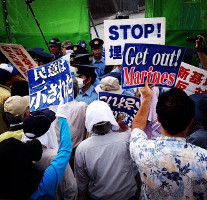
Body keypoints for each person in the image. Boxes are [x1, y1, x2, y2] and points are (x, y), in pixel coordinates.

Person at [130, 82, 207, 199]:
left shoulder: (142, 150)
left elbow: (137, 127)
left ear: (158, 118)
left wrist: (146, 98)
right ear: (191, 121)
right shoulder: (204, 159)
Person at [74, 100, 138, 200]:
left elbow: (82, 183)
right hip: (128, 195)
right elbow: (135, 167)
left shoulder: (82, 148)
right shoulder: (127, 138)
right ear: (111, 119)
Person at [55, 77, 87, 172]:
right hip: (75, 154)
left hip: (57, 155)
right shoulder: (82, 107)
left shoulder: (51, 108)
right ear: (76, 91)